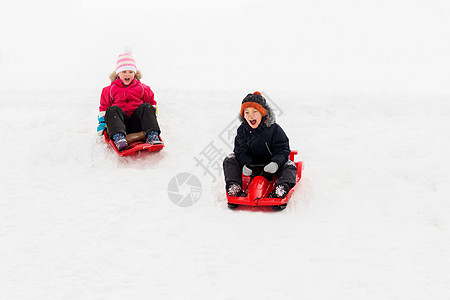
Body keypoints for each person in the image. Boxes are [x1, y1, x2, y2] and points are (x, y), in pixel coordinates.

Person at [223, 92, 297, 198]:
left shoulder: (274, 129)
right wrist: (245, 164)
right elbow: (240, 150)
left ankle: (282, 187)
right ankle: (234, 186)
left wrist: (276, 162)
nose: (251, 115)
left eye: (255, 112)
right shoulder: (242, 130)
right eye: (247, 112)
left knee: (289, 165)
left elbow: (282, 149)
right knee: (230, 159)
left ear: (262, 113)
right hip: (251, 166)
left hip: (272, 166)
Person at [97, 51, 162, 151]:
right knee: (112, 109)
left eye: (130, 72)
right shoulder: (108, 90)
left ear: (135, 73)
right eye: (124, 71)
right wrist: (102, 124)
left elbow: (152, 104)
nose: (127, 74)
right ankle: (119, 138)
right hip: (119, 124)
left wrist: (151, 119)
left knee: (147, 106)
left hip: (138, 123)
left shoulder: (143, 88)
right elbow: (104, 108)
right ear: (118, 73)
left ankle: (152, 135)